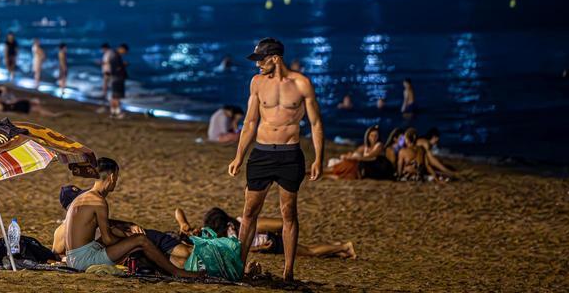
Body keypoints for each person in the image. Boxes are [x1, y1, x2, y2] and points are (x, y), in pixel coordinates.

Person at [226, 37, 324, 282]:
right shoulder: (257, 83)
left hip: (290, 155)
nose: (257, 64)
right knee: (249, 211)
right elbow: (250, 122)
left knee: (288, 212)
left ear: (275, 58)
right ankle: (238, 266)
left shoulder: (302, 84)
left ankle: (288, 272)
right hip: (262, 154)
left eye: (261, 59)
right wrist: (239, 155)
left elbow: (315, 123)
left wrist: (318, 158)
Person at [60, 157, 204, 278]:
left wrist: (125, 238)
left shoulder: (82, 197)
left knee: (130, 241)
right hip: (84, 260)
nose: (116, 181)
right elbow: (108, 239)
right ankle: (177, 271)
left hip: (73, 257)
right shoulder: (98, 201)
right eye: (116, 177)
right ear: (112, 177)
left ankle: (168, 265)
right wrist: (128, 240)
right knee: (140, 240)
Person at [195, 208, 355, 260]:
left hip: (271, 243)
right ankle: (339, 252)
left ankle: (344, 246)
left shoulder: (236, 227)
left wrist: (261, 245)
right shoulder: (233, 226)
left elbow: (240, 249)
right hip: (266, 241)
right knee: (307, 251)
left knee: (309, 251)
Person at [108, 44, 129, 117]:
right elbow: (116, 67)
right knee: (117, 96)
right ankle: (117, 112)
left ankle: (113, 112)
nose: (125, 53)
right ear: (122, 49)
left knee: (114, 96)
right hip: (117, 78)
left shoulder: (113, 54)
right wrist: (123, 65)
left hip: (114, 77)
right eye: (125, 51)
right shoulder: (115, 56)